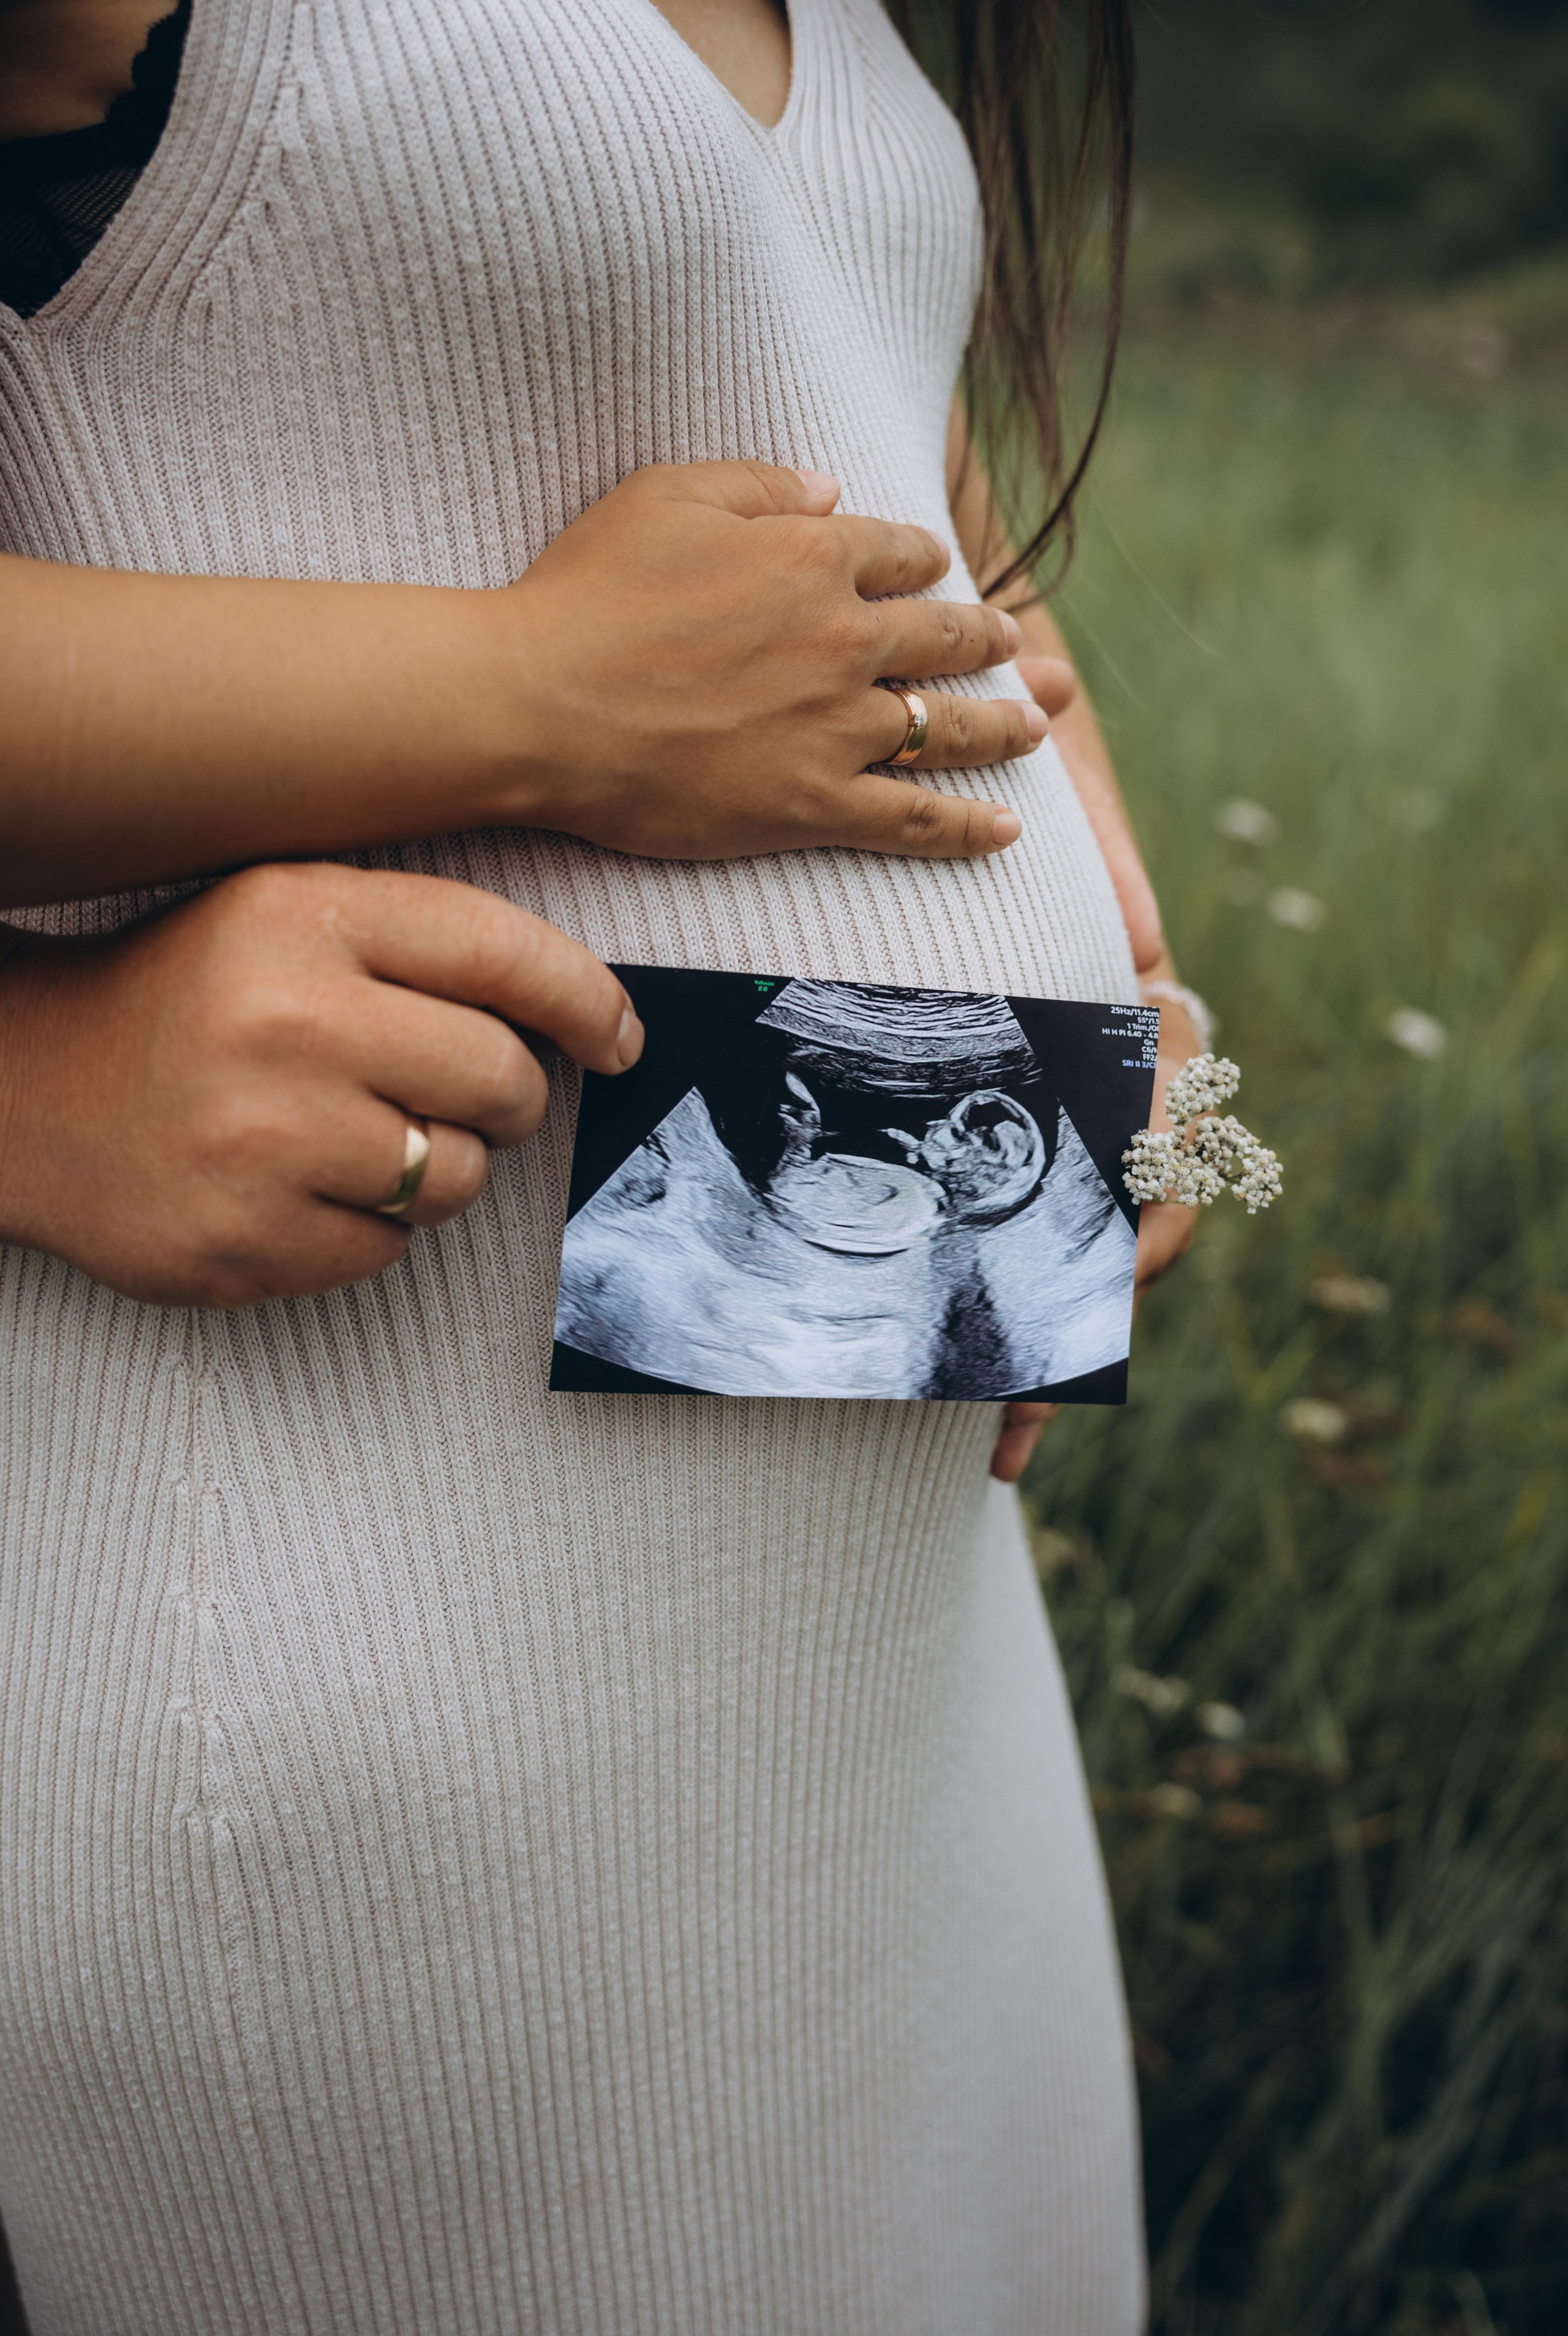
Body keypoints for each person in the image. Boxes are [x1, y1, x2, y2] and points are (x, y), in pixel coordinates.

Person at [0, 0, 1197, 2327]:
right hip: (378, 1662)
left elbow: (848, 419)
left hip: (895, 1637)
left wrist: (1089, 941)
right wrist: (34, 1082)